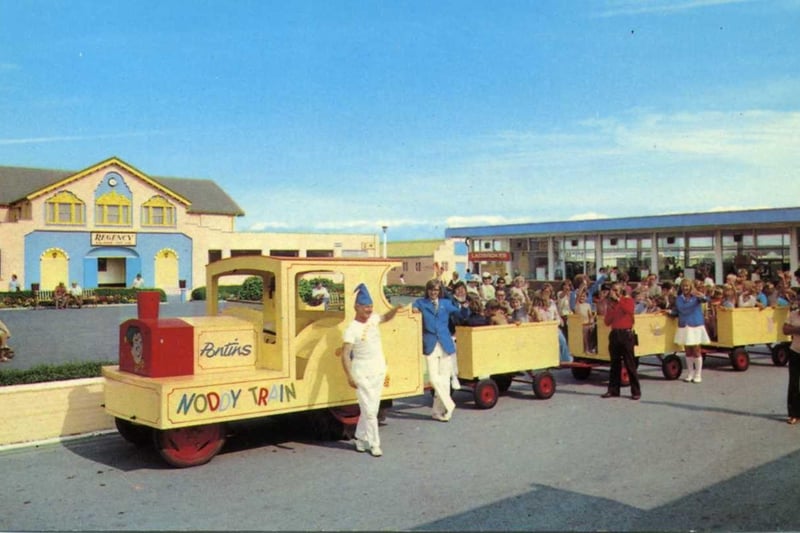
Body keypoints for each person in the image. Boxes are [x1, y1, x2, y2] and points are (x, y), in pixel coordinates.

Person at [340, 283, 400, 457]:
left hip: (378, 369)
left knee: (370, 408)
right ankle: (374, 444)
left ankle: (359, 437)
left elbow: (385, 318)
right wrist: (349, 375)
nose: (369, 309)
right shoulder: (351, 329)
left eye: (370, 306)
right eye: (366, 306)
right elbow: (345, 355)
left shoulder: (373, 318)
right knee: (370, 411)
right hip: (361, 372)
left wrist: (395, 309)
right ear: (356, 307)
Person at [411, 279, 469, 422]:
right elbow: (412, 309)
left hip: (445, 343)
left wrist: (464, 307)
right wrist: (414, 310)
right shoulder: (421, 303)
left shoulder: (446, 304)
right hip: (430, 343)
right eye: (431, 290)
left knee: (444, 380)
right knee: (433, 378)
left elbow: (461, 316)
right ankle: (449, 404)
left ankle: (439, 412)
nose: (433, 292)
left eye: (436, 290)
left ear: (439, 291)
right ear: (427, 290)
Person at [601, 282, 641, 400]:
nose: (614, 292)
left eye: (616, 290)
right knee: (614, 364)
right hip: (615, 333)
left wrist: (618, 300)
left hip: (626, 334)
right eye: (613, 290)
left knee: (630, 363)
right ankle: (613, 390)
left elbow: (629, 310)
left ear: (621, 290)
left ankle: (635, 391)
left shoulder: (627, 300)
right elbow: (607, 321)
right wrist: (612, 307)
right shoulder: (611, 304)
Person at [671, 279, 711, 383]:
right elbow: (682, 309)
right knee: (688, 350)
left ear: (691, 287)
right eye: (683, 286)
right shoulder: (679, 299)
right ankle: (690, 373)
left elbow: (706, 299)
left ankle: (698, 374)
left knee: (696, 350)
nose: (685, 288)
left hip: (695, 325)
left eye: (687, 286)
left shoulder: (696, 297)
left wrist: (699, 295)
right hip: (684, 325)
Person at [784, 289, 800, 425]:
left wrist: (794, 329)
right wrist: (798, 330)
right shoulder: (793, 314)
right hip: (795, 351)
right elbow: (785, 330)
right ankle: (794, 414)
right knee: (794, 384)